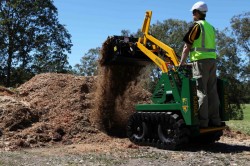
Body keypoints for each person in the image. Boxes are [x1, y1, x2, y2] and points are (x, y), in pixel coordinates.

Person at [179, 1, 221, 128]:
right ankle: (215, 120)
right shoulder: (210, 27)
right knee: (212, 91)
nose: (192, 15)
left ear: (197, 13)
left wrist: (181, 63)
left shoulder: (197, 26)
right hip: (212, 61)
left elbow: (187, 46)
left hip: (200, 62)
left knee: (201, 91)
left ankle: (203, 122)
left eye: (193, 12)